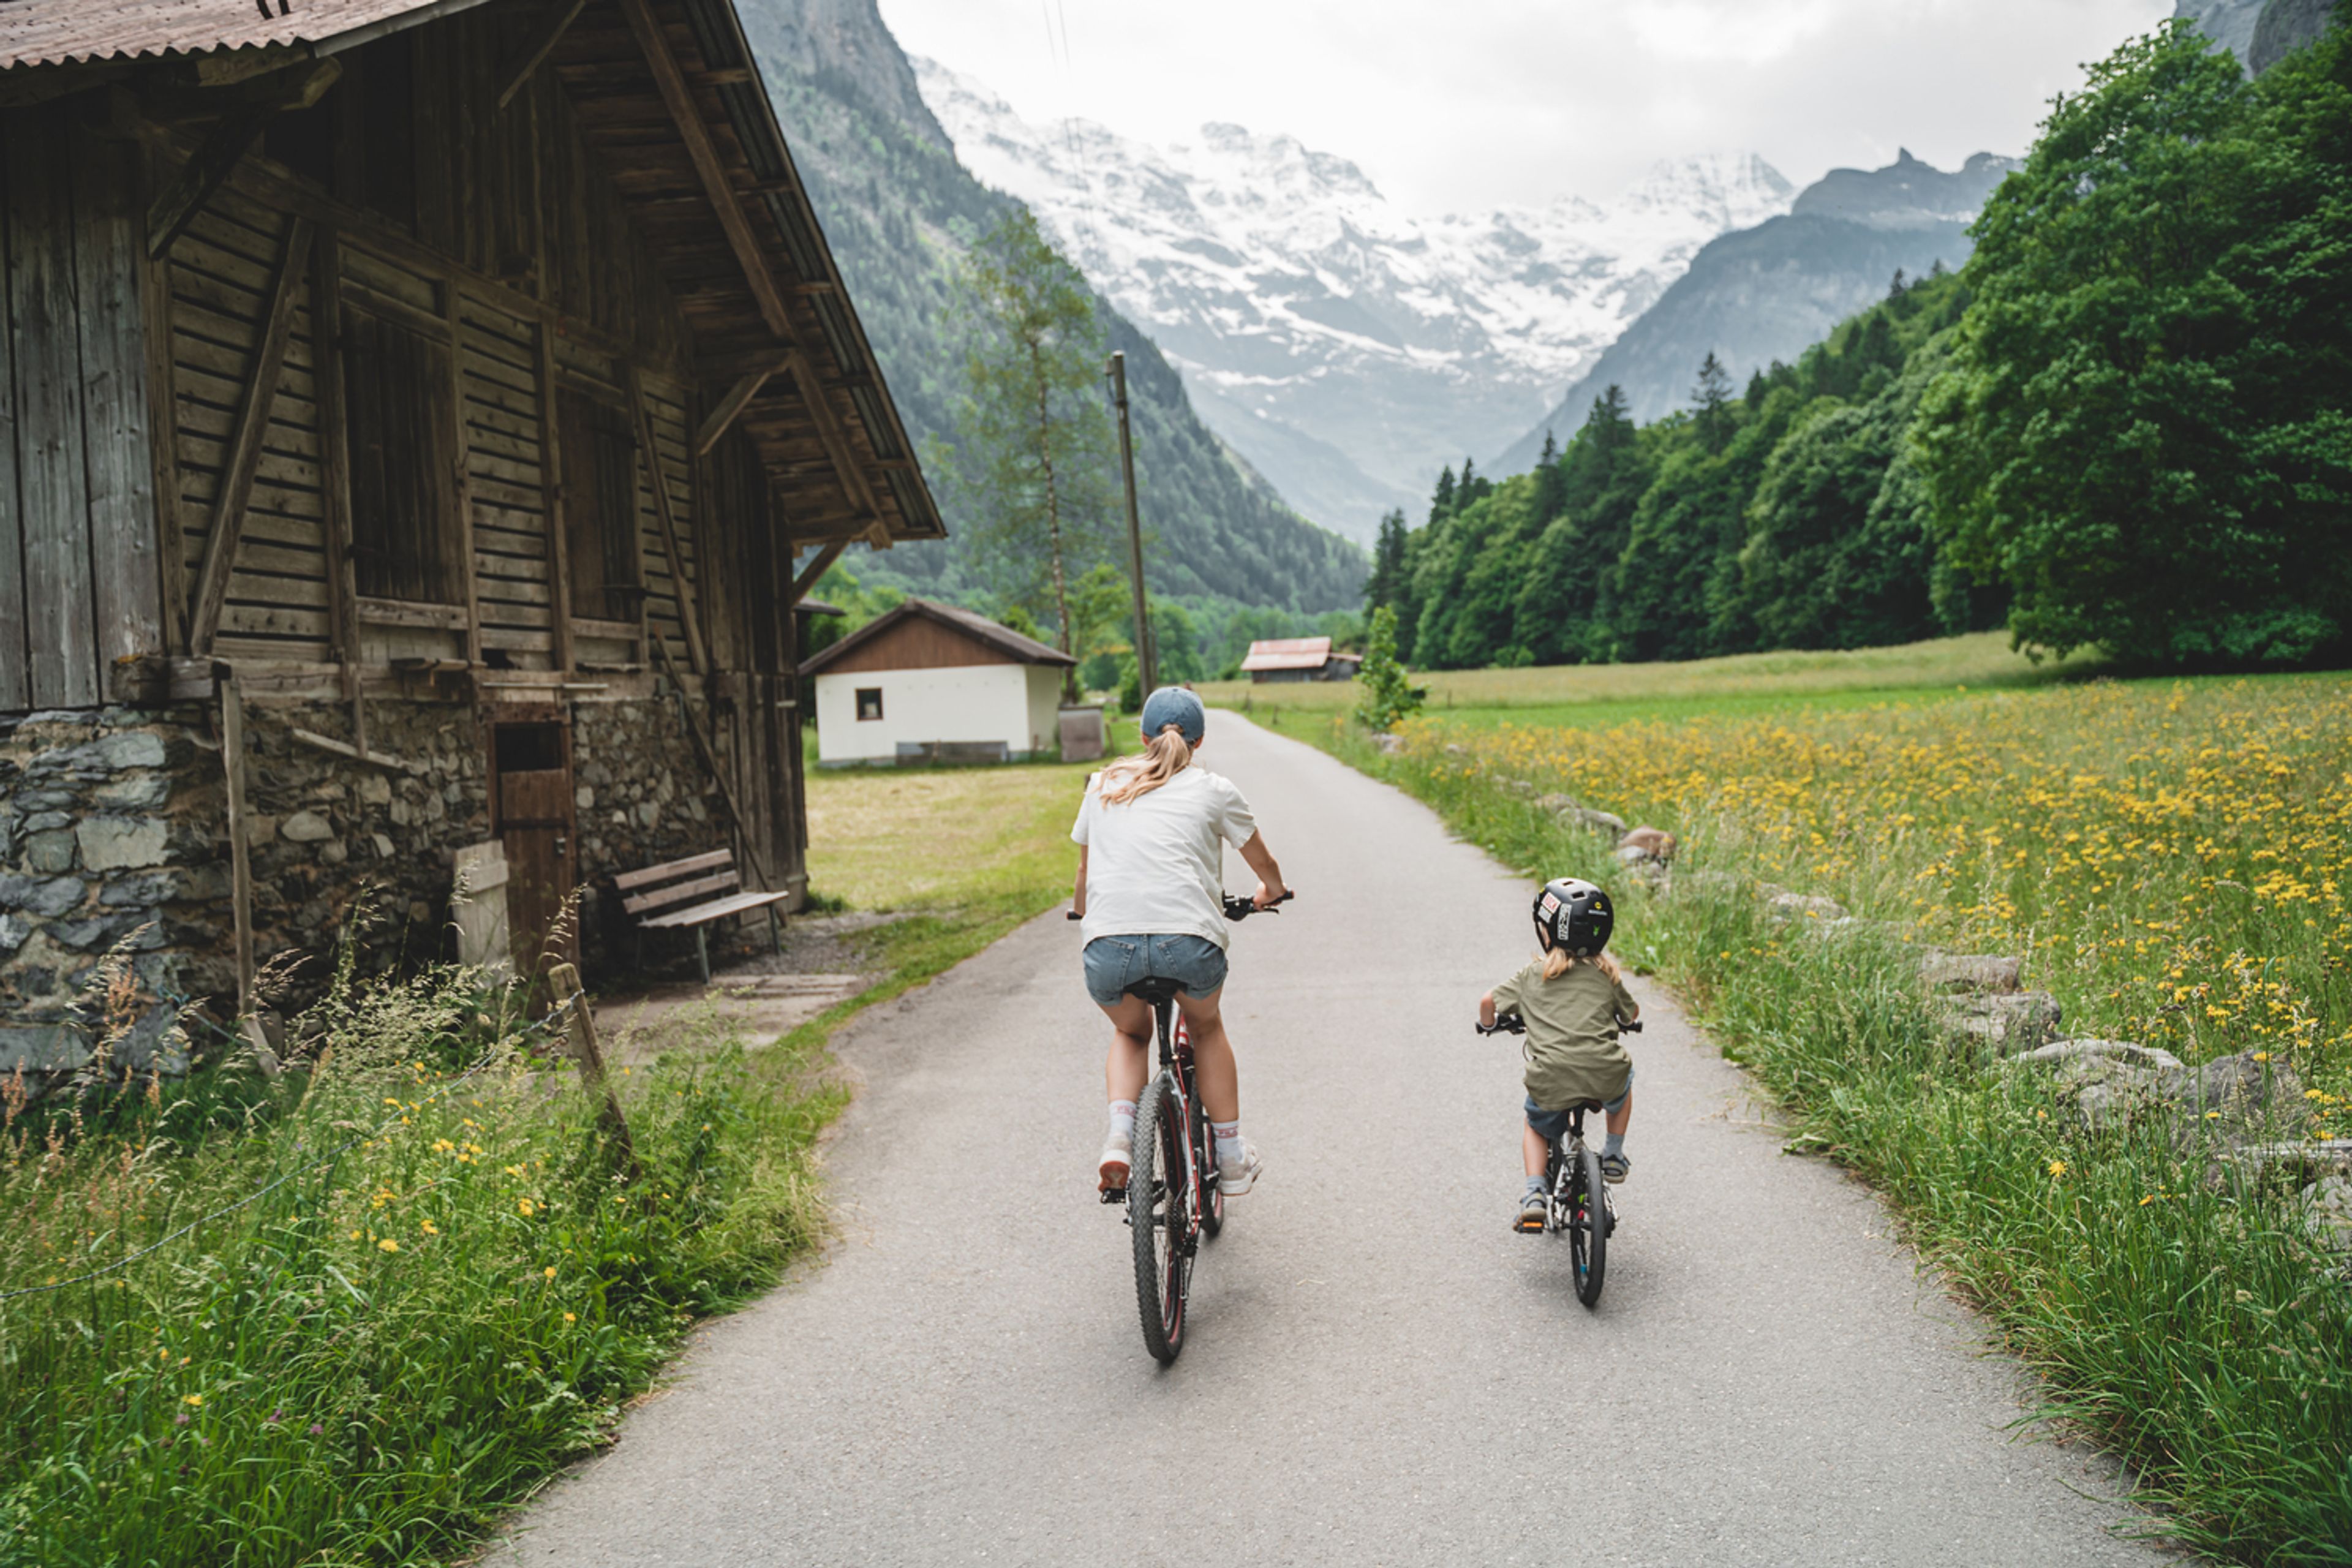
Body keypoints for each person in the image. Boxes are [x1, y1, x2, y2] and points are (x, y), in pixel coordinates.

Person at [1071, 687, 1288, 1196]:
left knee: (1131, 1034)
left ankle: (1120, 1139)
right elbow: (1265, 865)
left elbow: (1084, 874)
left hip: (1110, 947)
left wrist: (1083, 910)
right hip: (1187, 942)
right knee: (1206, 1026)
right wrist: (1270, 893)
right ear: (1200, 739)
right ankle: (1231, 1159)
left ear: (1142, 737)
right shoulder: (1213, 788)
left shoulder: (1103, 784)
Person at [1476, 876, 1640, 1234]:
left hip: (1551, 1077)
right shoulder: (1607, 975)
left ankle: (1534, 1194)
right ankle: (1613, 1153)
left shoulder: (1533, 975)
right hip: (1604, 1072)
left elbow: (1489, 1002)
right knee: (1623, 1083)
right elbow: (1632, 1015)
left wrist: (1489, 1024)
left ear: (1548, 932)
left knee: (1535, 1124)